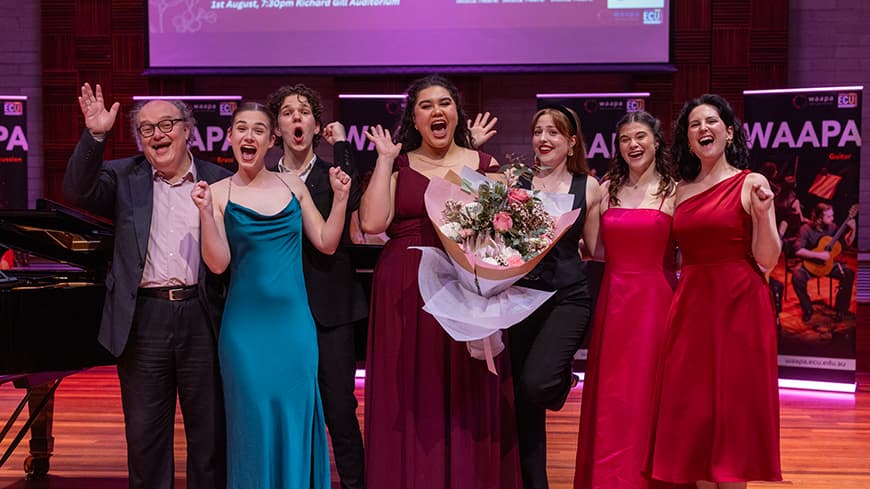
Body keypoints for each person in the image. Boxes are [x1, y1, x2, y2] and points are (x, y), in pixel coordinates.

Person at [63, 83, 229, 489]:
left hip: (202, 316)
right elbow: (76, 190)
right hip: (144, 320)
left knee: (209, 439)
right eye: (147, 129)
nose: (157, 134)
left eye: (167, 124)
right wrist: (96, 134)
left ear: (188, 130)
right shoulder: (124, 177)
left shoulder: (220, 180)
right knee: (145, 440)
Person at [359, 74, 522, 489]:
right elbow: (373, 222)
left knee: (466, 395)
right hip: (405, 288)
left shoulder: (486, 166)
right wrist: (382, 160)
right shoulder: (397, 164)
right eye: (426, 105)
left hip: (465, 285)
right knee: (411, 393)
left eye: (445, 103)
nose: (437, 111)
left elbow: (505, 236)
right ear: (413, 118)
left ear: (456, 113)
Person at [191, 102, 351, 489]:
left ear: (270, 140)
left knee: (295, 419)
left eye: (258, 130)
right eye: (241, 128)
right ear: (229, 137)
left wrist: (342, 198)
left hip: (295, 329)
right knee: (252, 424)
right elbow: (217, 264)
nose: (249, 136)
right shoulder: (214, 193)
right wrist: (203, 213)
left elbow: (327, 243)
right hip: (244, 333)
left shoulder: (293, 185)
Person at [646, 94, 782, 488]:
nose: (703, 129)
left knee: (732, 417)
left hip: (740, 305)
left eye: (711, 121)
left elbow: (767, 259)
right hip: (691, 307)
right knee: (696, 418)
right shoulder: (678, 190)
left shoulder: (751, 181)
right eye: (693, 125)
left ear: (729, 131)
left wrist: (762, 214)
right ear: (687, 140)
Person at [265, 84, 368, 489]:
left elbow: (353, 192)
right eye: (287, 112)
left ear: (316, 125)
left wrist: (342, 143)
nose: (295, 118)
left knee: (340, 410)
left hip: (332, 310)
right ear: (277, 128)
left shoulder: (333, 175)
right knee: (291, 411)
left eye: (303, 111)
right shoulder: (266, 181)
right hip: (280, 312)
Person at [573, 111, 679, 489]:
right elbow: (595, 249)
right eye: (624, 139)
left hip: (657, 303)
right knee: (615, 397)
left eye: (640, 137)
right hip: (614, 302)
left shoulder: (675, 190)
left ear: (656, 141)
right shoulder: (606, 189)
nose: (633, 145)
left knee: (651, 394)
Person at [507, 105, 600, 489]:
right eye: (538, 131)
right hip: (519, 298)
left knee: (538, 383)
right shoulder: (516, 181)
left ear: (571, 141)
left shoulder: (588, 186)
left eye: (554, 133)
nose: (544, 139)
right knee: (524, 408)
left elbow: (593, 247)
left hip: (568, 296)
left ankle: (564, 381)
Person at [791, 202, 856, 323]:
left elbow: (846, 244)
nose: (832, 219)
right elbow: (798, 250)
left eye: (833, 215)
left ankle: (841, 310)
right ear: (819, 218)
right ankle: (808, 309)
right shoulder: (805, 229)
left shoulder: (832, 227)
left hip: (828, 265)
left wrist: (853, 230)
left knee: (848, 273)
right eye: (829, 216)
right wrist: (818, 255)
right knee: (797, 276)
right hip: (810, 265)